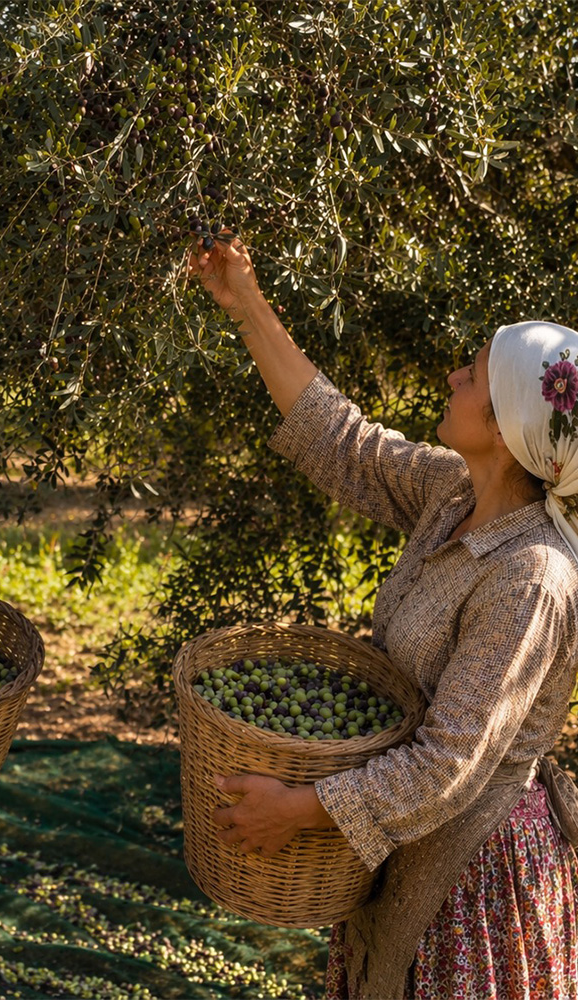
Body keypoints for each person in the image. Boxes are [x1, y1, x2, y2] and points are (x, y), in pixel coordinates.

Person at [191, 232, 578, 998]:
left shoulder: (531, 577)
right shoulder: (452, 494)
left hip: (473, 882)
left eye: (470, 374)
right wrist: (246, 303)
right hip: (398, 851)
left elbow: (448, 762)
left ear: (504, 428)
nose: (451, 376)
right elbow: (341, 440)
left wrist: (302, 810)